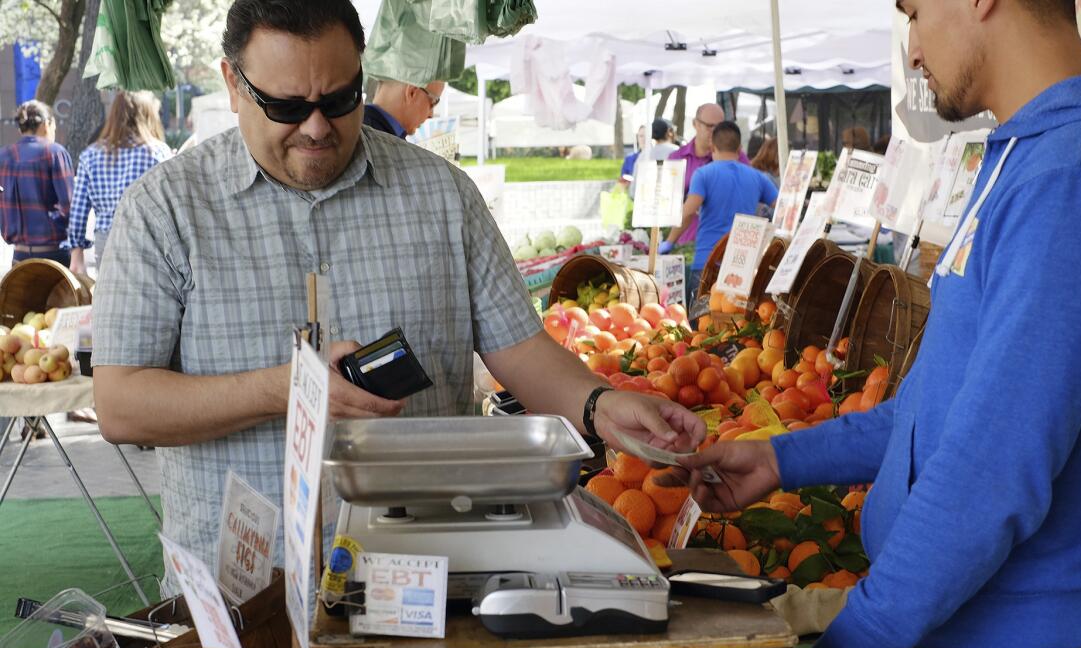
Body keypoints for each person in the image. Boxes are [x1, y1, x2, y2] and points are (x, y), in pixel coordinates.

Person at [671, 0, 1081, 648]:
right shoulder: (1031, 159)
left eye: (914, 12)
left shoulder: (1076, 180)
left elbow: (990, 472)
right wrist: (779, 458)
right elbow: (935, 415)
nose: (911, 46)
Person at [90, 0, 707, 579]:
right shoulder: (165, 210)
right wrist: (285, 390)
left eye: (339, 99)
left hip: (427, 573)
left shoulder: (442, 195)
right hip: (243, 586)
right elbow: (121, 405)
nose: (315, 127)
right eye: (285, 106)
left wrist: (601, 406)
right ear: (232, 83)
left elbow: (520, 352)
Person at [659, 122, 777, 307]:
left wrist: (669, 241)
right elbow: (782, 207)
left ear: (712, 147)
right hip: (743, 267)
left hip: (708, 263)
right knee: (734, 324)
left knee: (701, 327)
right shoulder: (757, 177)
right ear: (739, 149)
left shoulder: (704, 174)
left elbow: (689, 211)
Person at [68, 91, 172, 274]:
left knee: (110, 299)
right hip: (148, 239)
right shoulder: (158, 152)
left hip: (106, 240)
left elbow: (78, 210)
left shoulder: (90, 155)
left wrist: (77, 255)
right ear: (148, 116)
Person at [0, 101, 73, 268]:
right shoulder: (55, 152)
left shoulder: (3, 156)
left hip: (19, 255)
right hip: (54, 255)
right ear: (47, 123)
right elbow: (70, 206)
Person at [667, 103, 750, 246]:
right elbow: (666, 200)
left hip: (728, 242)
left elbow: (748, 193)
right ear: (695, 124)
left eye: (719, 126)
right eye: (709, 126)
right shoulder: (676, 158)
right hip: (686, 241)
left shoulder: (738, 157)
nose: (715, 132)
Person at [362, 78, 444, 139]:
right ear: (412, 92)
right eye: (433, 102)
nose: (431, 115)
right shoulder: (379, 141)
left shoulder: (360, 130)